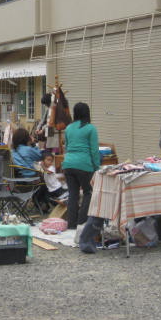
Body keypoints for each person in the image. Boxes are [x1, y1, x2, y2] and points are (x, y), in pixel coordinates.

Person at [61, 102, 100, 238]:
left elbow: (66, 147)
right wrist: (97, 167)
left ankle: (71, 223)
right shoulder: (90, 128)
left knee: (73, 194)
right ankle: (81, 222)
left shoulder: (69, 128)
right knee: (88, 192)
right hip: (84, 164)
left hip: (68, 164)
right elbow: (94, 151)